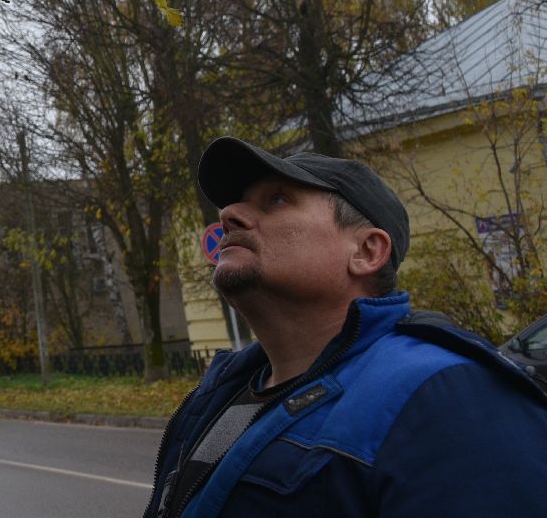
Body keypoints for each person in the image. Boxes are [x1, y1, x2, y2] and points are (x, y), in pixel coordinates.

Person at [145, 136, 547, 518]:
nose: (228, 214)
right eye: (239, 202)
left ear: (367, 251)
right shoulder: (221, 392)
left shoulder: (448, 400)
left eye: (277, 200)